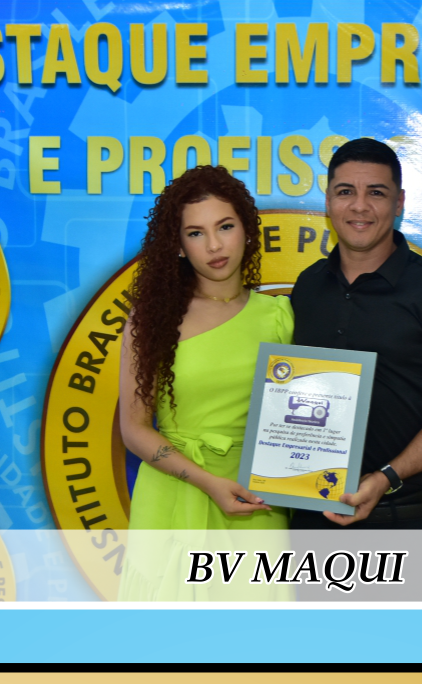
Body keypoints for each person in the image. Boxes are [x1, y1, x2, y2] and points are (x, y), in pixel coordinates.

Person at [290, 138, 422, 598]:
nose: (359, 206)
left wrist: (385, 477)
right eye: (345, 191)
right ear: (328, 200)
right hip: (313, 526)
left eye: (376, 192)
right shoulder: (308, 286)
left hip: (409, 525)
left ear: (399, 203)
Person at [117, 165, 293, 601]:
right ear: (178, 245)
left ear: (247, 230)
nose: (214, 245)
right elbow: (134, 430)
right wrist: (206, 482)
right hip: (173, 494)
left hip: (257, 503)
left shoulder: (280, 317)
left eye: (225, 226)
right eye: (196, 233)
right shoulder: (152, 320)